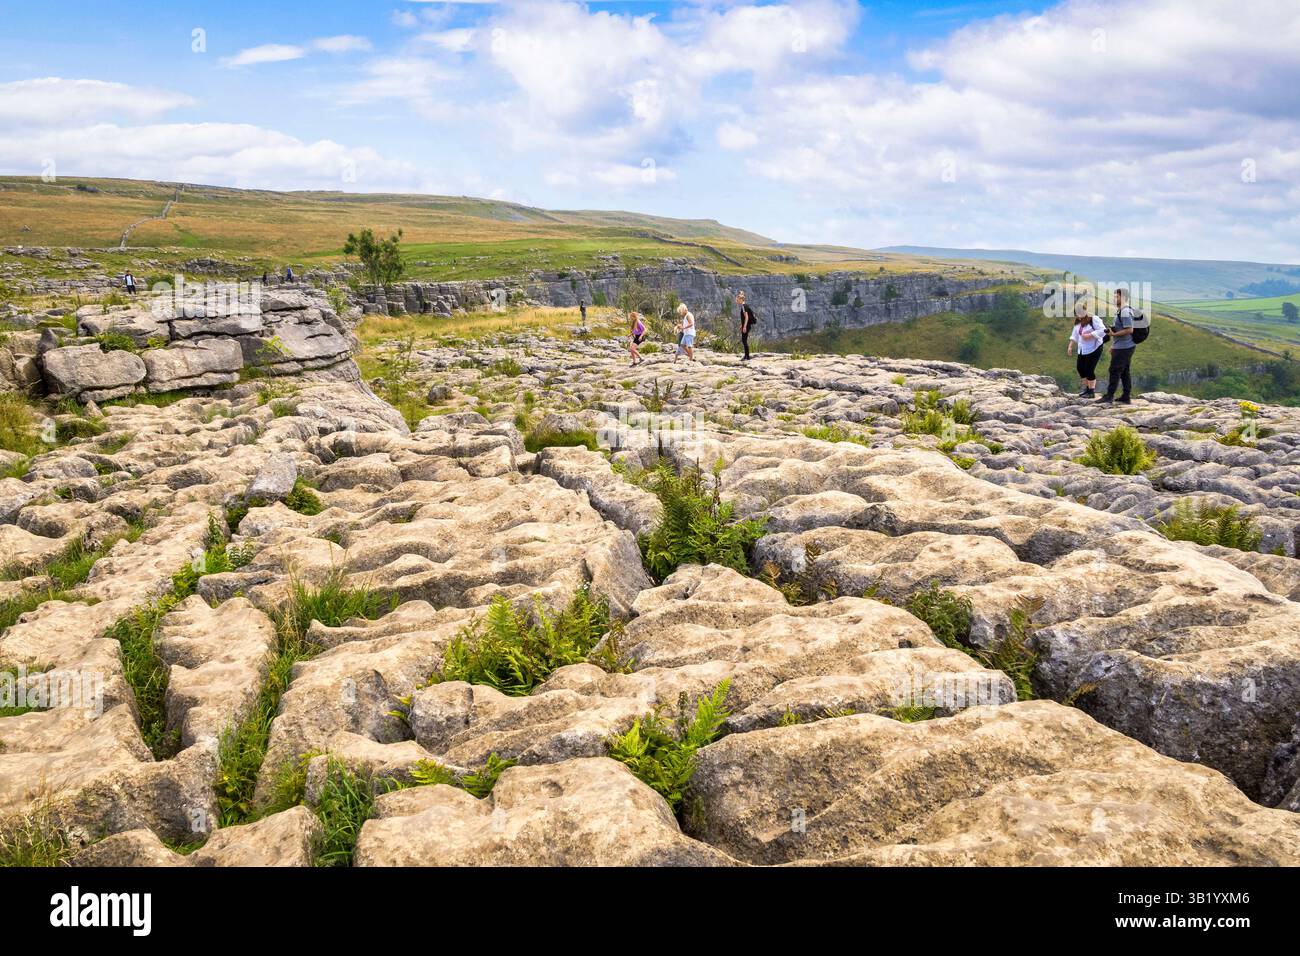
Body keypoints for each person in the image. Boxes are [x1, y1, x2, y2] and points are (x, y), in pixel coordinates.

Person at [1099, 287, 1137, 404]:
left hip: (1124, 347)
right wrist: (1113, 344)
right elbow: (1122, 328)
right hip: (1122, 346)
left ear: (1123, 297)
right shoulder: (1121, 310)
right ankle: (1126, 396)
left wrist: (1114, 334)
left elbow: (1129, 330)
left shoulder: (1125, 311)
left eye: (1117, 296)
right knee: (1124, 371)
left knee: (1114, 370)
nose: (1114, 298)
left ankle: (1109, 396)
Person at [1067, 301, 1106, 398]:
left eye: (1079, 314)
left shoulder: (1094, 319)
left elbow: (1103, 330)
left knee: (1089, 369)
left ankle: (1091, 391)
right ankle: (1087, 389)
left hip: (1094, 348)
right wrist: (1070, 346)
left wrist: (1090, 335)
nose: (1078, 316)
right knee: (1080, 368)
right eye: (1076, 315)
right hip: (1082, 348)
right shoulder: (1078, 322)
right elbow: (1074, 335)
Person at [736, 291, 756, 361]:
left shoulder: (743, 307)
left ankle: (747, 356)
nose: (737, 301)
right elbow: (744, 318)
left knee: (744, 340)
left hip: (746, 326)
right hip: (746, 325)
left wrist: (744, 327)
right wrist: (742, 325)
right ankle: (747, 356)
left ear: (741, 300)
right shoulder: (745, 305)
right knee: (744, 340)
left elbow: (746, 317)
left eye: (737, 300)